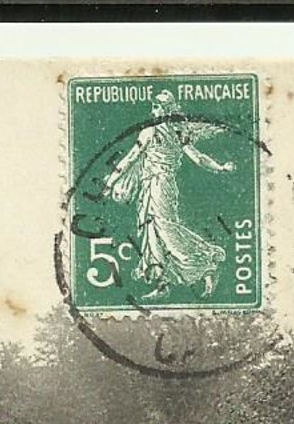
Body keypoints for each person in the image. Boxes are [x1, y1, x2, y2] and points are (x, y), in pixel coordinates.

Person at [101, 89, 236, 300]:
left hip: (160, 185)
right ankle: (163, 283)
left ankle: (206, 262)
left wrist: (110, 183)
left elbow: (131, 157)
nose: (153, 111)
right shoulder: (175, 132)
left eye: (157, 107)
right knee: (151, 232)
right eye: (154, 106)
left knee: (164, 229)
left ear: (165, 110)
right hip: (154, 185)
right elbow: (199, 158)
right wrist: (220, 167)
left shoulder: (153, 131)